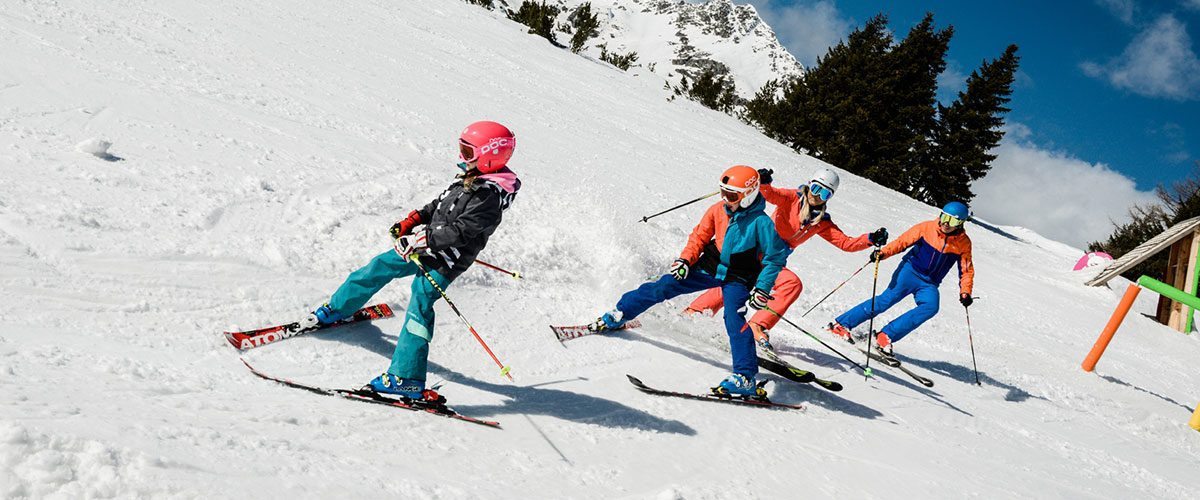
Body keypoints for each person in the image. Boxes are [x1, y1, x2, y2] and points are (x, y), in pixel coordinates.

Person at [302, 121, 520, 401]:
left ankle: (407, 378)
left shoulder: (489, 196)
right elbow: (440, 204)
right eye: (462, 149)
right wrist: (414, 220)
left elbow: (461, 231)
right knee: (379, 266)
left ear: (490, 155)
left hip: (447, 260)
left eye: (468, 152)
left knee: (420, 301)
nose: (462, 157)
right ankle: (337, 308)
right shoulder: (471, 177)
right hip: (426, 245)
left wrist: (421, 240)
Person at [589, 166, 790, 398]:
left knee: (734, 318)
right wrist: (685, 260)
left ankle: (745, 377)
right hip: (711, 265)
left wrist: (762, 288)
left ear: (749, 195)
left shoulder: (762, 223)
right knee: (665, 285)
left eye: (732, 195)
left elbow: (775, 258)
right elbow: (699, 236)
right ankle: (621, 314)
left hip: (739, 276)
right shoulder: (718, 210)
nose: (725, 199)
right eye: (722, 192)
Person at [683, 167, 887, 351]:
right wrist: (763, 182)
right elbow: (769, 194)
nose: (817, 196)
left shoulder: (820, 222)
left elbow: (845, 243)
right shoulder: (791, 198)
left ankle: (757, 325)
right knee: (738, 279)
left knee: (791, 284)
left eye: (824, 193)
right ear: (809, 185)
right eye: (815, 188)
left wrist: (870, 239)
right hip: (754, 250)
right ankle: (695, 312)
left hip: (773, 262)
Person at [826, 201, 975, 358]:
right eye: (944, 217)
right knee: (886, 300)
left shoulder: (963, 243)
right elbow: (902, 242)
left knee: (931, 307)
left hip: (929, 283)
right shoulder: (926, 228)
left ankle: (884, 336)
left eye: (952, 221)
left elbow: (966, 269)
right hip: (909, 271)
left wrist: (965, 292)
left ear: (960, 223)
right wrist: (883, 253)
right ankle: (841, 325)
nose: (945, 223)